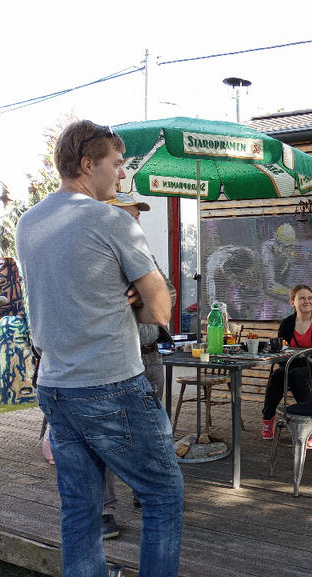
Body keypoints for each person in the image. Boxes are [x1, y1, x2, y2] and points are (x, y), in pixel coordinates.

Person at [15, 120, 184, 577]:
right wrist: (136, 298)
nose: (121, 174)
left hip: (55, 385)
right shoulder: (111, 221)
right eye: (117, 163)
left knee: (80, 510)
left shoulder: (29, 222)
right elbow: (161, 310)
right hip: (110, 383)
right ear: (88, 164)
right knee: (163, 493)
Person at [101, 192, 177, 536]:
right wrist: (135, 296)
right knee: (108, 435)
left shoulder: (144, 253)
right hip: (115, 360)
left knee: (149, 430)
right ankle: (104, 510)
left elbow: (169, 292)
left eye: (137, 217)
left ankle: (143, 492)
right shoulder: (99, 256)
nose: (136, 222)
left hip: (150, 356)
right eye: (129, 216)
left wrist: (146, 294)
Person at [261, 284, 312, 440]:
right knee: (277, 375)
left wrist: (307, 357)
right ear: (292, 302)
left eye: (310, 298)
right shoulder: (287, 323)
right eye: (302, 298)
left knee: (296, 376)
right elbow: (282, 350)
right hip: (291, 364)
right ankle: (268, 418)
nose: (307, 301)